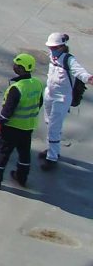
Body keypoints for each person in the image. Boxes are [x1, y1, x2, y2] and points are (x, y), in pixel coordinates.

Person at [0, 52, 44, 187]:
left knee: (2, 152)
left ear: (21, 68)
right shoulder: (37, 84)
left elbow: (8, 110)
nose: (14, 66)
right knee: (24, 153)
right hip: (28, 126)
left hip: (12, 127)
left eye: (16, 65)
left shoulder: (17, 88)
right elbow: (39, 103)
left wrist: (0, 122)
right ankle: (22, 177)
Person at [41, 32, 90, 170]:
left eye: (54, 47)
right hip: (49, 94)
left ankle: (52, 158)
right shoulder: (52, 57)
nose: (51, 50)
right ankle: (52, 149)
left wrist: (89, 78)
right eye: (50, 47)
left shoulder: (69, 60)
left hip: (61, 99)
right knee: (48, 122)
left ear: (62, 47)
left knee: (54, 127)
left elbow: (80, 72)